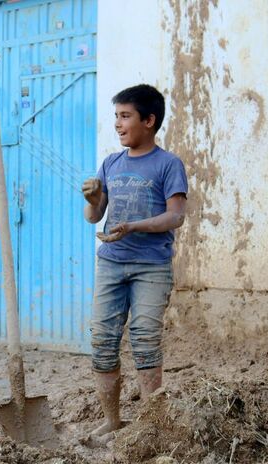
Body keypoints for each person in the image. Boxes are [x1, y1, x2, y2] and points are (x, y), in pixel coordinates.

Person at [80, 84, 188, 443]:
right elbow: (94, 217)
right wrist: (93, 199)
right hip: (111, 264)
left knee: (145, 339)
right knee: (102, 340)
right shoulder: (110, 163)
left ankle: (149, 424)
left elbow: (175, 217)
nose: (118, 123)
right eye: (116, 116)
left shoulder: (168, 164)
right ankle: (112, 421)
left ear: (149, 120)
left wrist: (134, 226)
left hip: (151, 266)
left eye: (125, 116)